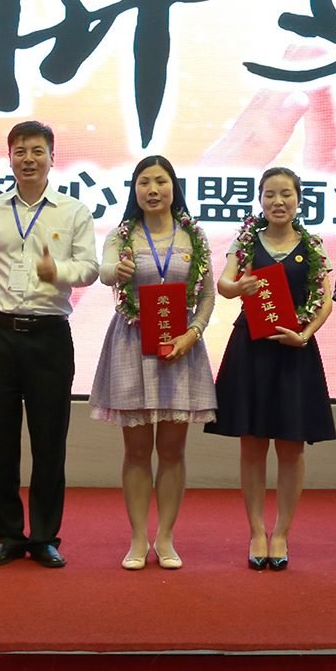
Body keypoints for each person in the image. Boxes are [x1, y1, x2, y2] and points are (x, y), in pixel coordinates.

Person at [0, 120, 100, 569]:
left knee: (49, 441)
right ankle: (7, 536)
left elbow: (90, 268)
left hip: (49, 337)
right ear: (10, 158)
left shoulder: (73, 211)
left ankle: (43, 537)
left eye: (37, 151)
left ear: (52, 158)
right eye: (20, 151)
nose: (29, 159)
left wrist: (57, 271)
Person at [90, 155, 216, 571]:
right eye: (144, 182)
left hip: (181, 346)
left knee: (173, 450)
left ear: (173, 187)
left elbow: (207, 295)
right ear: (135, 189)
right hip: (132, 344)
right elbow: (104, 271)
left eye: (160, 181)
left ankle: (165, 537)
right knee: (137, 450)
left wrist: (193, 333)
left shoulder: (193, 235)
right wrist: (117, 270)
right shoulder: (122, 234)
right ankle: (138, 538)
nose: (152, 190)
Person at [209, 168, 336, 571]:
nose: (277, 202)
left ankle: (281, 533)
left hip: (294, 350)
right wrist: (239, 287)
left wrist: (306, 335)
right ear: (260, 200)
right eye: (269, 195)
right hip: (251, 349)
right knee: (252, 444)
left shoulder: (312, 245)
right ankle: (257, 531)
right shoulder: (247, 241)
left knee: (291, 447)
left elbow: (325, 300)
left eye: (286, 194)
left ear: (299, 199)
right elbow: (223, 284)